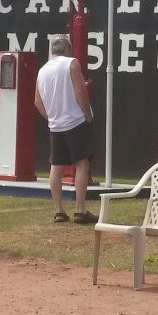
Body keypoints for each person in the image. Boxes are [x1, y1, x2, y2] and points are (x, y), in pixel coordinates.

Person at [34, 35, 96, 224]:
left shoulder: (42, 70)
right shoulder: (72, 63)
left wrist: (51, 118)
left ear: (52, 49)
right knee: (82, 164)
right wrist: (87, 113)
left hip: (56, 124)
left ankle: (59, 210)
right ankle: (79, 210)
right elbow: (80, 91)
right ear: (68, 49)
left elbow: (37, 101)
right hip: (74, 121)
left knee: (56, 167)